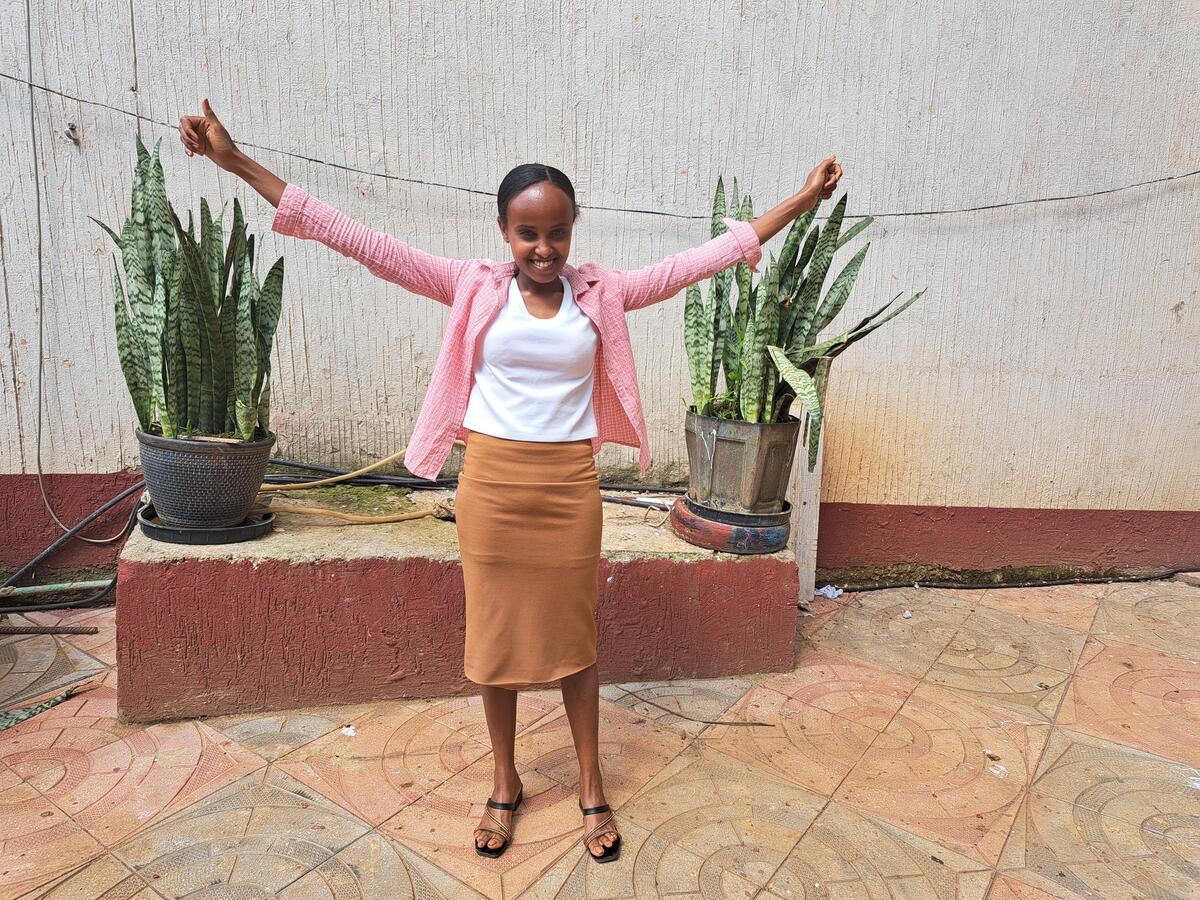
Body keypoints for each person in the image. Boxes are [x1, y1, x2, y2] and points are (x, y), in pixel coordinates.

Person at [178, 99, 842, 863]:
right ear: (505, 232)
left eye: (558, 231)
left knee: (575, 637)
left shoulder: (604, 293)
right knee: (492, 638)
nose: (545, 247)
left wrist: (801, 198)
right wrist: (236, 164)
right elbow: (355, 238)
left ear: (572, 231)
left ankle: (592, 784)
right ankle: (505, 781)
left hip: (568, 487)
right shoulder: (470, 285)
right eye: (529, 232)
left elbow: (704, 258)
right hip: (491, 485)